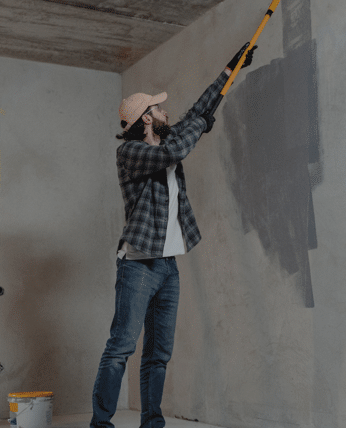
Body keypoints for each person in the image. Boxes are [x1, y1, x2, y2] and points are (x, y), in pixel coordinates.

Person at [90, 43, 256, 428]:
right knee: (121, 348)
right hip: (138, 266)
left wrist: (231, 67)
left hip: (167, 268)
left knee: (159, 353)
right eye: (159, 108)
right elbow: (176, 151)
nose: (166, 111)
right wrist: (198, 126)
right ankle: (100, 424)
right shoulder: (131, 153)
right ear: (146, 119)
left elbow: (200, 111)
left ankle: (153, 422)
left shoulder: (166, 138)